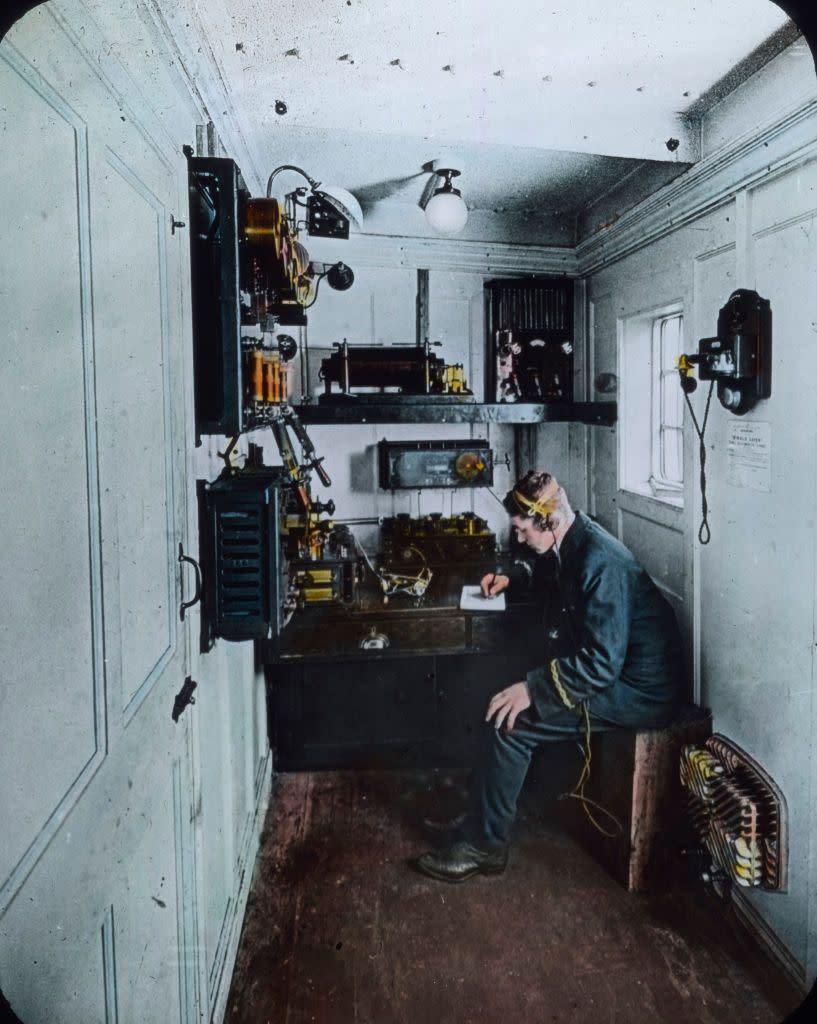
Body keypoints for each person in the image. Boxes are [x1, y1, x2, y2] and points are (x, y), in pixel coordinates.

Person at [415, 470, 684, 883]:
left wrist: (533, 688)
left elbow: (601, 664)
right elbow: (549, 571)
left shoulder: (602, 562)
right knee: (503, 693)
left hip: (640, 690)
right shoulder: (575, 538)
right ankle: (479, 821)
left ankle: (485, 848)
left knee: (513, 722)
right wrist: (511, 578)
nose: (519, 539)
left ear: (549, 522)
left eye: (523, 530)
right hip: (616, 673)